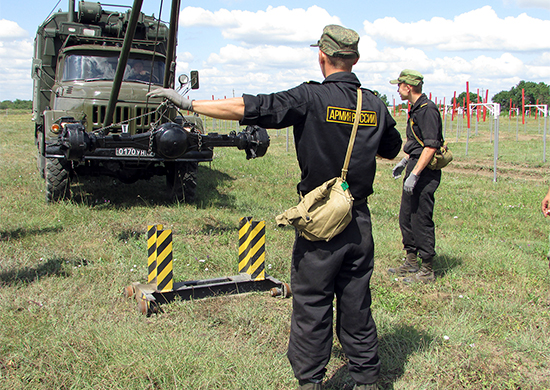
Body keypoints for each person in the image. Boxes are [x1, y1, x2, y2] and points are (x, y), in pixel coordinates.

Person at [148, 25, 402, 390]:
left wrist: (190, 104)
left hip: (320, 220)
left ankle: (312, 381)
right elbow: (390, 148)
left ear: (322, 57)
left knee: (312, 303)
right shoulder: (374, 103)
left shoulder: (310, 98)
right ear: (356, 59)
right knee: (356, 301)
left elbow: (250, 108)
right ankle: (365, 380)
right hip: (358, 219)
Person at [387, 69, 443, 284]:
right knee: (407, 217)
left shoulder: (428, 110)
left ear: (407, 87)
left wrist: (416, 174)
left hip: (424, 171)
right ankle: (411, 261)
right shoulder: (417, 108)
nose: (397, 89)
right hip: (415, 166)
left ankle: (427, 269)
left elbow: (431, 145)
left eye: (399, 85)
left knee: (421, 218)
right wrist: (404, 162)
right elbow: (417, 143)